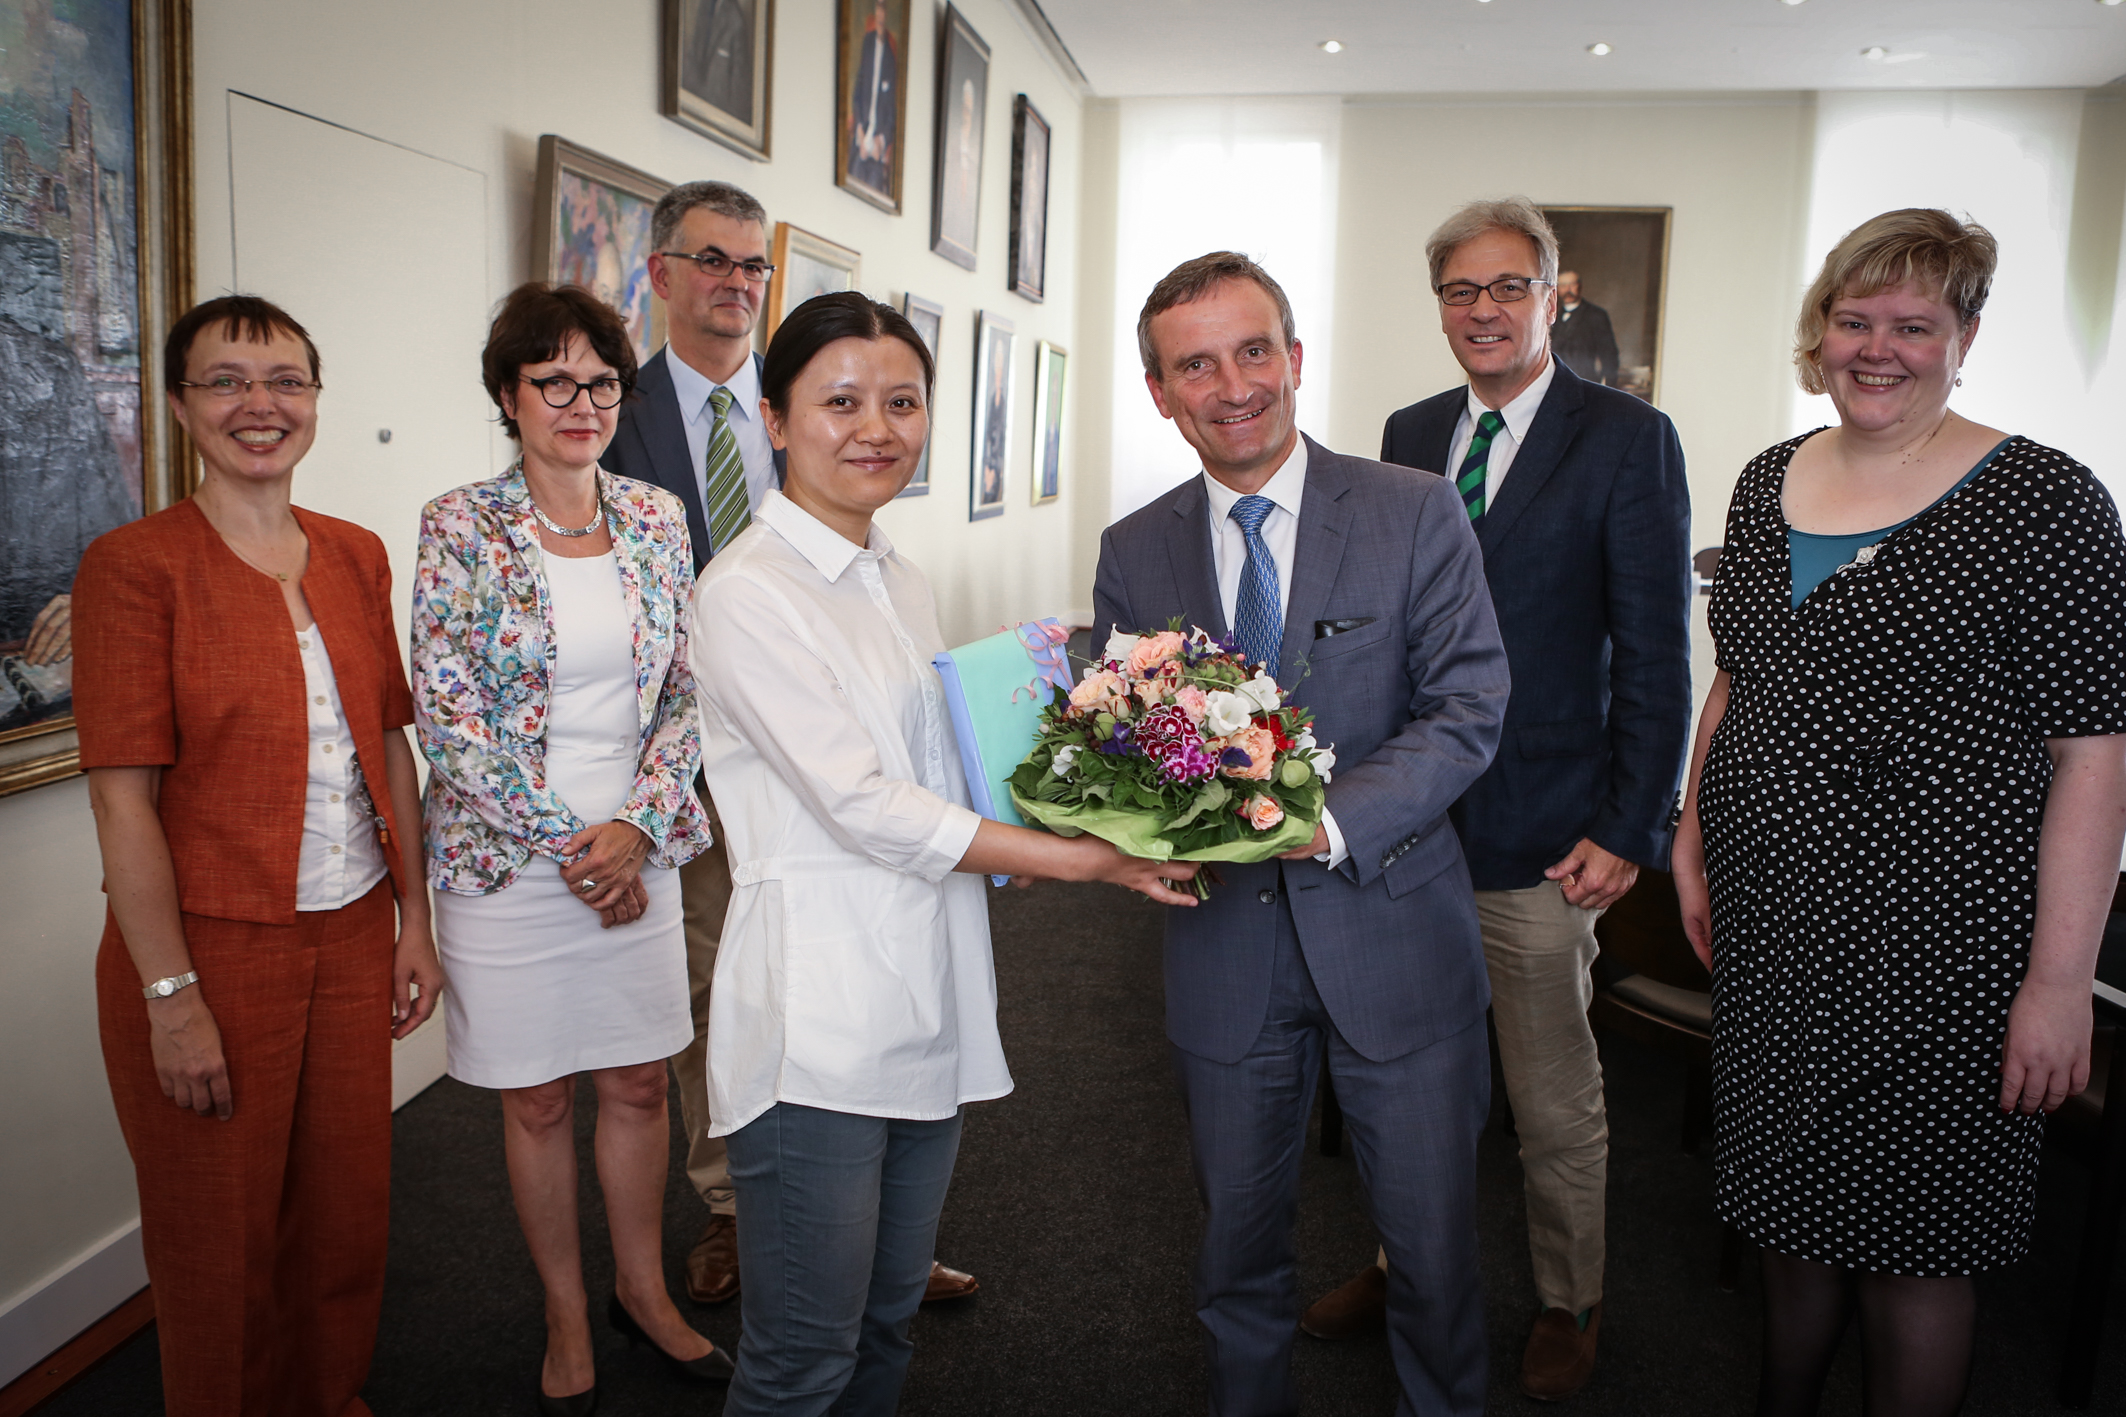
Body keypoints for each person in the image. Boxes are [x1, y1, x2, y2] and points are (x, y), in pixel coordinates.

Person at [688, 290, 1196, 1415]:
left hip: (925, 990)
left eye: (902, 400)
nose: (877, 426)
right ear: (773, 420)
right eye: (840, 401)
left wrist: (1087, 782)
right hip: (813, 1018)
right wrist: (1095, 863)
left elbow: (942, 772)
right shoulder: (743, 597)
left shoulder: (896, 577)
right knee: (799, 1359)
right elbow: (864, 806)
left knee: (884, 1323)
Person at [1671, 209, 2126, 1416]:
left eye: (1912, 325)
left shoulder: (2044, 501)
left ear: (1962, 336)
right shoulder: (1768, 477)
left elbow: (2090, 755)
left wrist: (2056, 981)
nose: (1877, 348)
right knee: (1786, 1216)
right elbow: (1738, 675)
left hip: (1944, 950)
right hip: (1774, 927)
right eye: (1853, 319)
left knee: (1915, 1252)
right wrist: (1690, 835)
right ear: (1819, 332)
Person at [1094, 252, 1509, 1416]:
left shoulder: (1410, 508)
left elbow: (1469, 705)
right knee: (1235, 1257)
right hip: (1224, 956)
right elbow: (1127, 740)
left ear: (1292, 356)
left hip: (1396, 940)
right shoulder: (1135, 550)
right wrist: (1132, 823)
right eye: (1195, 365)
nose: (1232, 386)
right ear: (1158, 391)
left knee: (1430, 1257)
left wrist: (1327, 823)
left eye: (1252, 350)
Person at [1304, 198, 1692, 1401]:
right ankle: (1396, 1262)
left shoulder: (1627, 438)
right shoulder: (1407, 430)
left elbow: (1655, 648)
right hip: (1410, 829)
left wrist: (1629, 826)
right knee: (1407, 1080)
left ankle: (1567, 1297)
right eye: (1459, 291)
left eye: (1505, 288)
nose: (1481, 311)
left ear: (1551, 296)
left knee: (1548, 1094)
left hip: (1544, 833)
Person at [602, 180, 980, 1307]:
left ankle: (869, 1236)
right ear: (659, 274)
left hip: (815, 742)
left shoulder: (843, 456)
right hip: (680, 759)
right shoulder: (603, 411)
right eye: (709, 261)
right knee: (723, 984)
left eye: (752, 266)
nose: (732, 282)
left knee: (860, 963)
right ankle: (741, 1211)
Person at [73, 294, 441, 1417]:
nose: (259, 405)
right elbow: (123, 806)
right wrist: (170, 995)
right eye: (226, 381)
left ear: (316, 402)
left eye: (284, 380)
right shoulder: (136, 567)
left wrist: (412, 919)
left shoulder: (353, 554)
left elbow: (386, 742)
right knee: (216, 1240)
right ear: (181, 406)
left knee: (341, 1214)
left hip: (348, 930)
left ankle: (327, 1395)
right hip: (210, 953)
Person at [412, 282, 723, 1415]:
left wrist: (635, 828)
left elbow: (686, 693)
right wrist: (573, 847)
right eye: (554, 380)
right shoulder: (459, 523)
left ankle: (642, 1290)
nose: (580, 401)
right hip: (511, 864)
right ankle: (561, 1307)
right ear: (510, 395)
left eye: (600, 381)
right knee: (535, 1098)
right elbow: (447, 716)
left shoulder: (653, 516)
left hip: (636, 850)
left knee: (639, 1082)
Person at [845, 0, 897, 195]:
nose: (880, 14)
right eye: (878, 8)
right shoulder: (868, 44)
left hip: (877, 148)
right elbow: (857, 94)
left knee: (873, 188)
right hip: (861, 138)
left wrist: (880, 142)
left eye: (883, 9)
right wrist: (859, 129)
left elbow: (892, 114)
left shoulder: (891, 57)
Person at [1551, 270, 1621, 387]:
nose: (1568, 290)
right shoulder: (1552, 316)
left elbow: (1609, 353)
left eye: (1572, 284)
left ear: (1580, 286)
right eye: (1563, 285)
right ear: (1557, 289)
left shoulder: (1596, 315)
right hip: (1556, 383)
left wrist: (1608, 384)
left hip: (1585, 382)